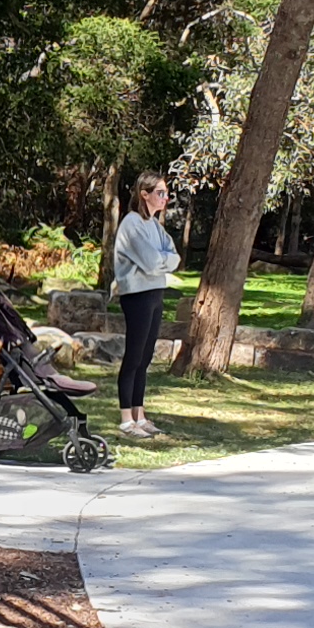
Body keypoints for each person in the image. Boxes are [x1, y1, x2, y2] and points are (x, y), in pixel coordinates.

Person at [107, 170, 178, 440]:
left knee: (146, 358)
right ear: (144, 194)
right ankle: (126, 419)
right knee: (134, 356)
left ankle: (140, 414)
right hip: (137, 295)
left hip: (156, 292)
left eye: (166, 193)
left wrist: (163, 260)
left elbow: (174, 257)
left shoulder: (155, 226)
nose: (165, 197)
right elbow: (151, 262)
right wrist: (161, 260)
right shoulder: (132, 223)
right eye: (160, 192)